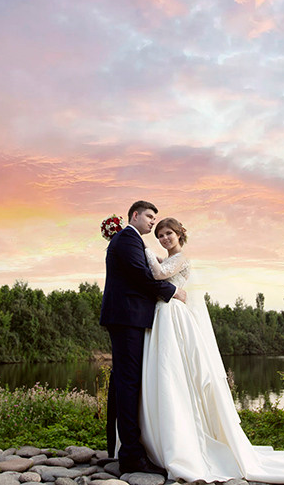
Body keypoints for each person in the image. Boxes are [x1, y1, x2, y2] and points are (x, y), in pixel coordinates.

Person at [139, 217, 284, 484]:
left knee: (176, 369)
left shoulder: (181, 259)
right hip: (163, 313)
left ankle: (189, 445)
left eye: (168, 234)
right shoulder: (168, 258)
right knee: (166, 372)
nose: (164, 239)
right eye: (160, 236)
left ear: (179, 235)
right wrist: (169, 286)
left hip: (175, 316)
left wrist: (146, 252)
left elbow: (157, 275)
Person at [99, 200, 187, 475]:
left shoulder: (131, 241)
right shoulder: (127, 240)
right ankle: (131, 456)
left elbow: (141, 273)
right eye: (149, 217)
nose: (152, 222)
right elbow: (139, 276)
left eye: (155, 218)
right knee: (128, 383)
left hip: (130, 319)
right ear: (134, 215)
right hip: (127, 319)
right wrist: (171, 292)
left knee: (127, 382)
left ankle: (123, 448)